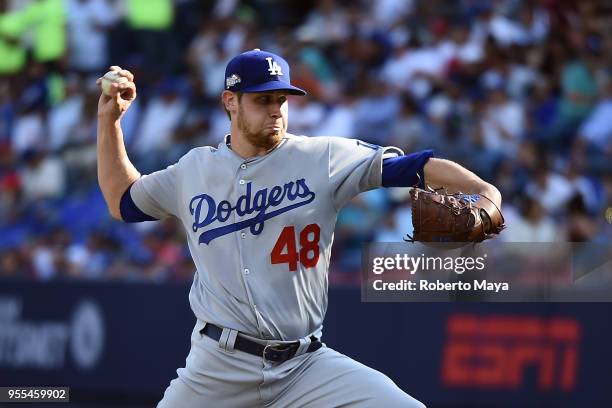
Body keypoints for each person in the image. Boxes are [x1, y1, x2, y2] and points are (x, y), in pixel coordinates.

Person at [96, 49, 502, 407]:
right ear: (230, 102)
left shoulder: (322, 157)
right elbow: (123, 200)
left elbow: (417, 166)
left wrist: (485, 192)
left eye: (282, 99)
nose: (276, 109)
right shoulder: (193, 170)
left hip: (305, 367)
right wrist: (109, 121)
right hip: (217, 368)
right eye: (262, 99)